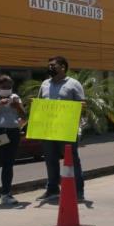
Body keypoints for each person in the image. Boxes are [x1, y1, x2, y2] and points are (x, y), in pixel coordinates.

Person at [37, 56, 86, 201]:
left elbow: (82, 104)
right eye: (49, 65)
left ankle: (78, 191)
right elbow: (39, 103)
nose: (50, 68)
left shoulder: (73, 84)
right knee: (50, 160)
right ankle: (52, 189)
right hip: (48, 129)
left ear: (63, 67)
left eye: (53, 65)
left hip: (66, 129)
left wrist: (80, 106)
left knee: (72, 161)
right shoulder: (45, 84)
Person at [0, 75, 26, 209]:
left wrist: (17, 106)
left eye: (9, 87)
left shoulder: (15, 97)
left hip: (12, 132)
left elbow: (24, 115)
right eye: (3, 87)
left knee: (9, 164)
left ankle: (6, 195)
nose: (7, 89)